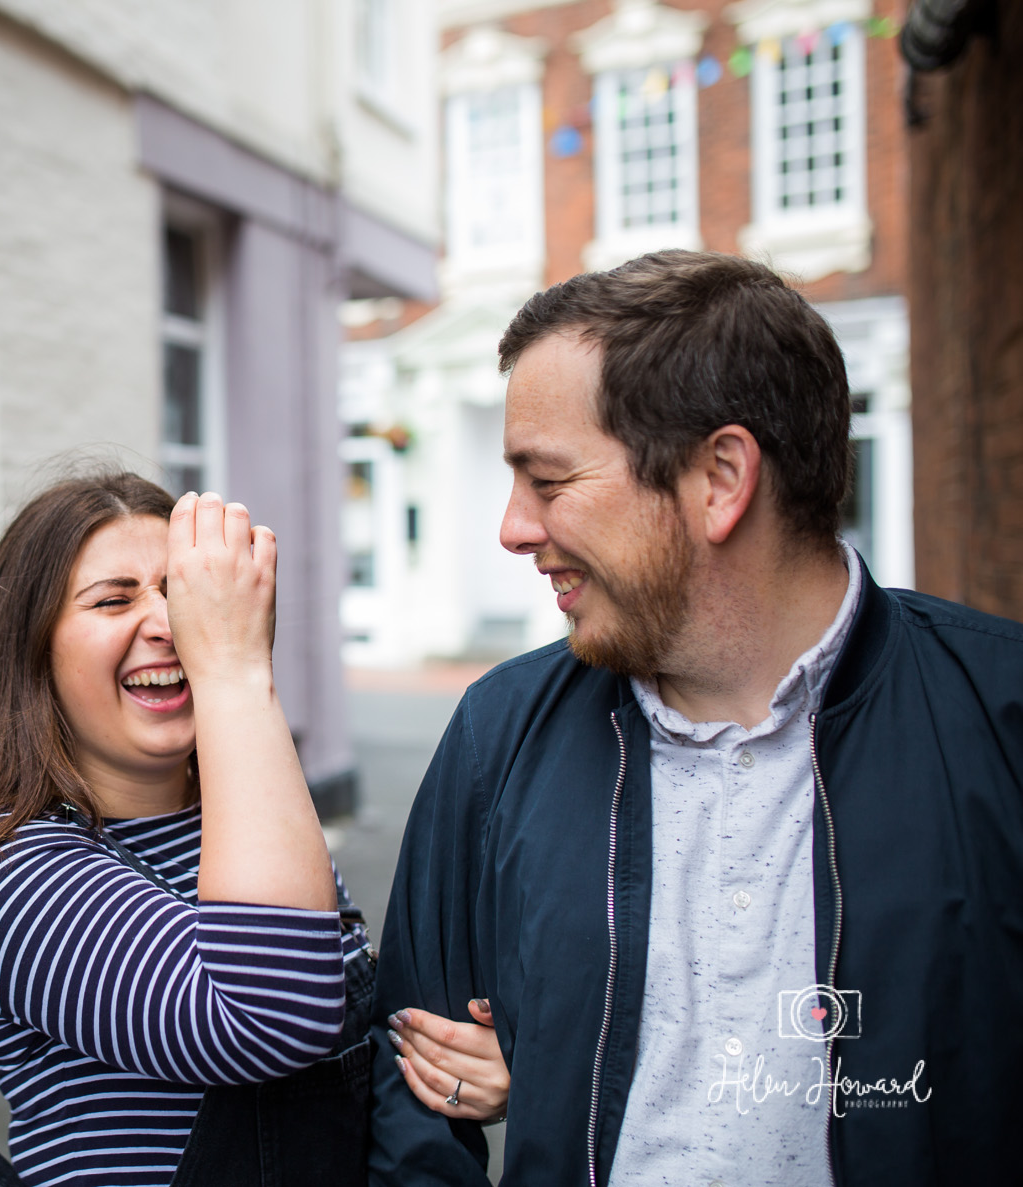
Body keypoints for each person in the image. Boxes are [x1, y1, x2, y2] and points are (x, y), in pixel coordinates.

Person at [368, 250, 1023, 1185]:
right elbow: (413, 1101)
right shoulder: (497, 733)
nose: (512, 527)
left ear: (721, 477)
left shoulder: (1000, 718)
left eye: (548, 482)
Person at [0, 473, 507, 1187]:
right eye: (114, 599)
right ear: (31, 652)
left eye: (182, 592)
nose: (170, 624)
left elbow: (360, 1040)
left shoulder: (246, 817)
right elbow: (271, 1018)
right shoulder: (3, 870)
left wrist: (458, 1074)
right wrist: (237, 670)